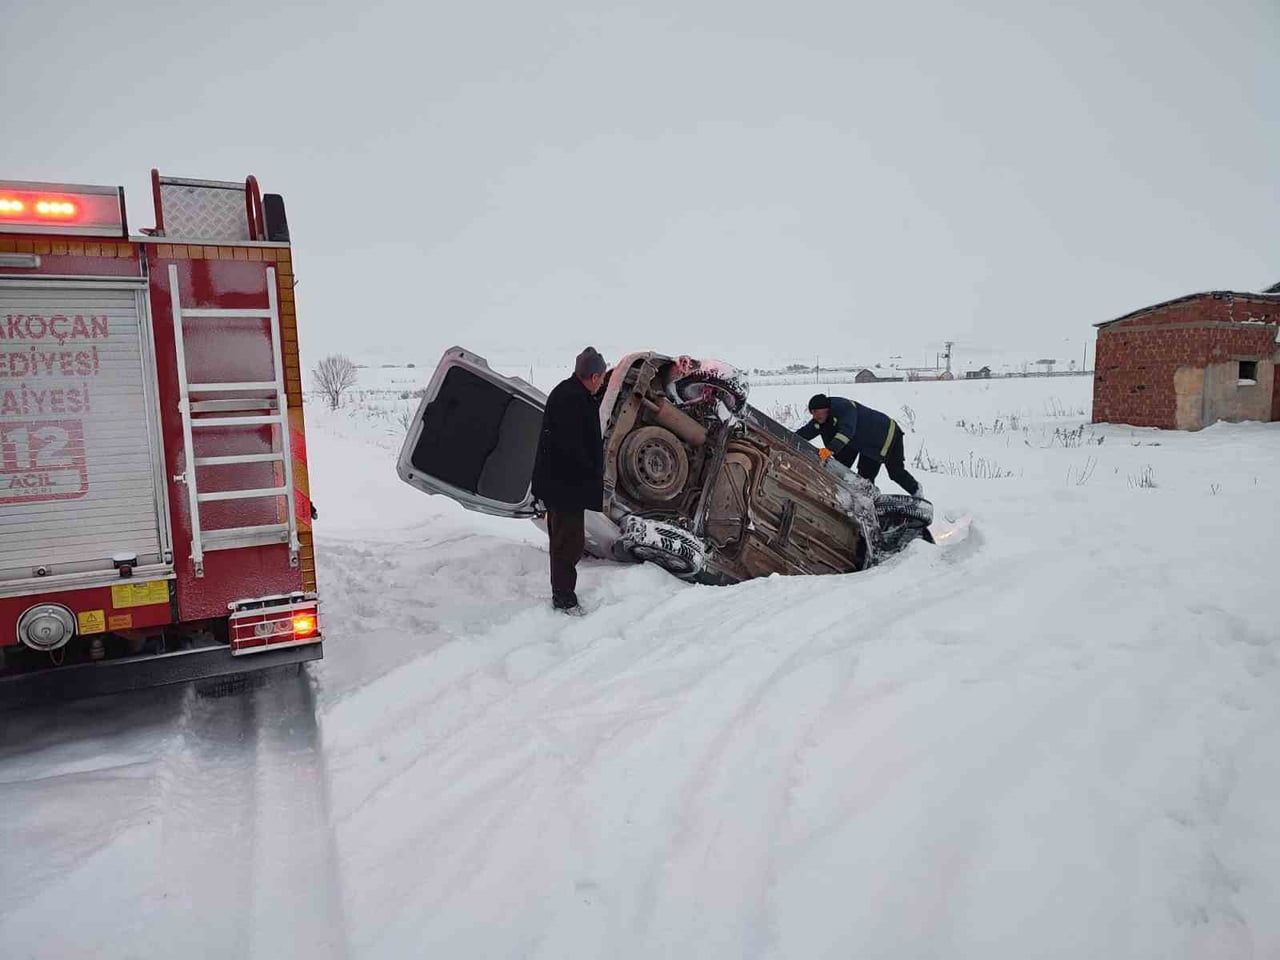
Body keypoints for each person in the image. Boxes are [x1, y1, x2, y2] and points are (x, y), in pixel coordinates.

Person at [531, 347, 608, 614]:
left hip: (563, 486)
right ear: (594, 376)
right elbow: (572, 449)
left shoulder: (569, 392)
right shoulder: (574, 400)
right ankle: (564, 600)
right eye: (602, 377)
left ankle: (563, 594)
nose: (601, 383)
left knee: (565, 542)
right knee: (568, 544)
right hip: (566, 488)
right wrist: (590, 475)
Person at [796, 393, 923, 497]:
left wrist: (830, 450)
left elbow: (847, 432)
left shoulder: (844, 407)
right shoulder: (822, 418)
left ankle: (916, 492)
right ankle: (863, 501)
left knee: (893, 472)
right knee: (852, 471)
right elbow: (807, 431)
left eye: (815, 412)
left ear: (825, 408)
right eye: (812, 413)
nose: (814, 416)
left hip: (885, 435)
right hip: (864, 442)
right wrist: (789, 438)